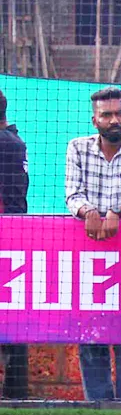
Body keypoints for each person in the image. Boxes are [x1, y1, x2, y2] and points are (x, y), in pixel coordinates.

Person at [65, 87, 121, 401]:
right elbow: (72, 195)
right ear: (95, 121)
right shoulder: (77, 147)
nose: (114, 120)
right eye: (107, 115)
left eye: (120, 113)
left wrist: (118, 212)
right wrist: (88, 212)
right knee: (91, 336)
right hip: (89, 258)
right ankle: (98, 410)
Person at [0, 88, 31, 398]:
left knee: (10, 322)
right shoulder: (14, 141)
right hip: (13, 240)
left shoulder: (6, 143)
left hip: (6, 240)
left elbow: (11, 201)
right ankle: (15, 392)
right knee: (12, 318)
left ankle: (15, 393)